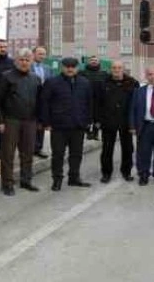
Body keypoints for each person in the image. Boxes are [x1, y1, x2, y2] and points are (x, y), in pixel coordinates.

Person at [40, 57, 94, 191]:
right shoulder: (52, 82)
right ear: (62, 67)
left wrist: (88, 121)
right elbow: (44, 103)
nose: (70, 69)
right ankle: (57, 180)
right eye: (67, 66)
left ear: (77, 68)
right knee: (58, 154)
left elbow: (89, 103)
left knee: (76, 154)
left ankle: (74, 178)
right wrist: (46, 122)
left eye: (73, 66)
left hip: (78, 125)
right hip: (59, 126)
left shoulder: (84, 83)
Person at [0, 48, 44, 196]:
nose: (24, 62)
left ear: (31, 62)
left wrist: (39, 120)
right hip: (11, 120)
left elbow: (40, 101)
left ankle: (26, 180)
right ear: (16, 61)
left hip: (30, 121)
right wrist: (0, 121)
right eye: (21, 60)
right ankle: (7, 184)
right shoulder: (7, 77)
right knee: (8, 154)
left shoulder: (35, 78)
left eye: (27, 60)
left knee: (28, 153)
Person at [95, 61, 140, 183]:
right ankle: (106, 173)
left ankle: (126, 172)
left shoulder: (132, 82)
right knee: (107, 149)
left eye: (119, 67)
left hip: (126, 122)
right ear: (111, 69)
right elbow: (97, 103)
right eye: (114, 67)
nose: (116, 69)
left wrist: (134, 121)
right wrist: (98, 120)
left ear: (123, 69)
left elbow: (137, 104)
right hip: (108, 121)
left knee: (128, 148)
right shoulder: (103, 83)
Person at [30, 46, 54, 159]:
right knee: (29, 126)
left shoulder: (48, 68)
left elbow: (51, 83)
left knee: (41, 124)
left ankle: (38, 148)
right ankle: (28, 148)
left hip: (43, 101)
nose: (42, 56)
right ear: (33, 54)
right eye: (40, 54)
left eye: (44, 54)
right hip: (30, 99)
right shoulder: (27, 66)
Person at [79, 55, 108, 140]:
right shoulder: (82, 73)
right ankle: (88, 132)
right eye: (92, 60)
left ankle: (95, 133)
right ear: (89, 62)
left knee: (98, 118)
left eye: (95, 60)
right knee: (86, 116)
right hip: (85, 99)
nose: (94, 61)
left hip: (99, 100)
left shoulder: (104, 73)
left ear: (99, 62)